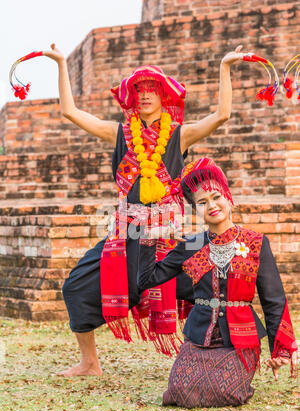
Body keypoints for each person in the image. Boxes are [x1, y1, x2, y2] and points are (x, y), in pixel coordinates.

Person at [43, 43, 244, 377]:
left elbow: (221, 115)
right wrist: (62, 64)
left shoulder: (178, 135)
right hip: (126, 231)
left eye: (152, 88)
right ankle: (90, 363)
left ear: (164, 95)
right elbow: (71, 112)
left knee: (210, 283)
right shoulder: (119, 133)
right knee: (76, 285)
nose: (146, 93)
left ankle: (226, 353)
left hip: (169, 232)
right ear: (132, 97)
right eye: (139, 89)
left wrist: (225, 67)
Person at [137, 157, 297, 408]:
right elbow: (147, 279)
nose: (211, 205)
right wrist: (150, 238)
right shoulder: (191, 244)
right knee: (180, 394)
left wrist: (281, 350)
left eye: (216, 197)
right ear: (195, 210)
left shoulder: (255, 243)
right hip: (199, 336)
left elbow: (273, 300)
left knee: (226, 394)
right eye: (202, 202)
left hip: (239, 339)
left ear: (228, 196)